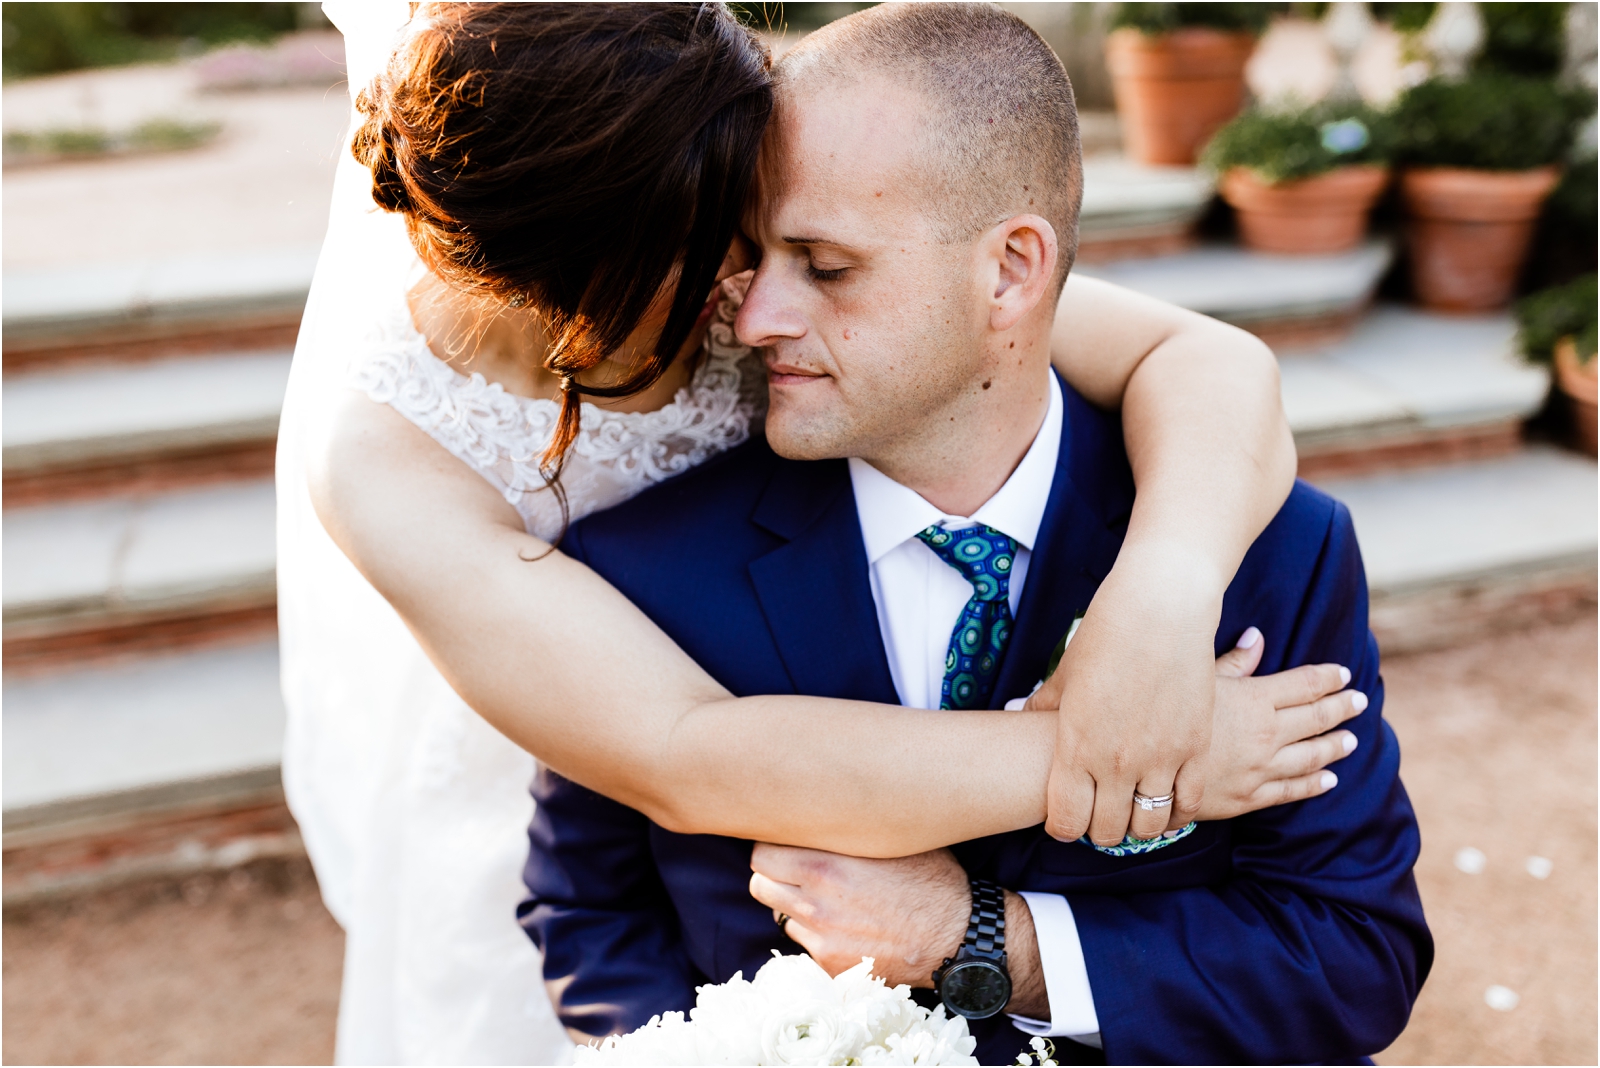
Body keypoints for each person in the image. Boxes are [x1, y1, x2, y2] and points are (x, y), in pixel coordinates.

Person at [284, 2, 1358, 1063]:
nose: (750, 307)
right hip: (603, 755)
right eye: (731, 252)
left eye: (790, 252)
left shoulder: (758, 252)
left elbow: (1205, 360)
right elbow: (683, 757)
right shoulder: (385, 453)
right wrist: (1143, 753)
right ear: (604, 268)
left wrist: (1156, 605)